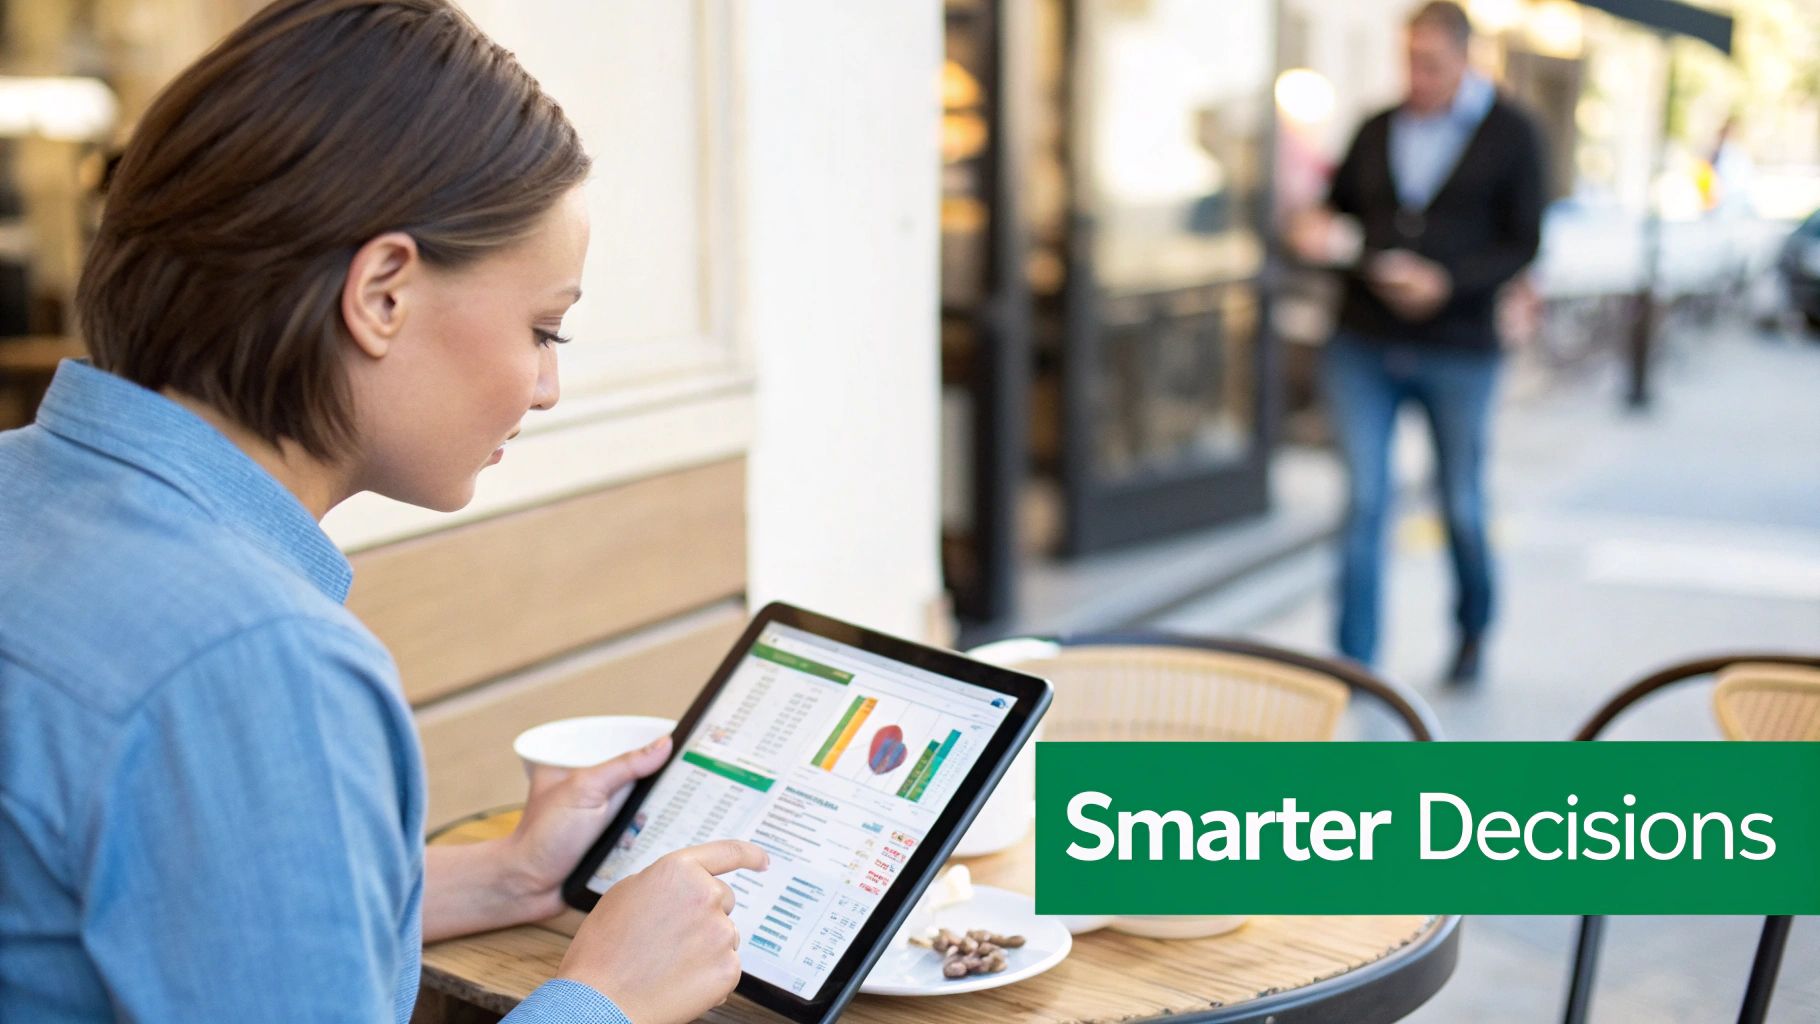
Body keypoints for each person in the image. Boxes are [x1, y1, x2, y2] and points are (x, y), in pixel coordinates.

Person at [0, 2, 766, 1021]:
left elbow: (177, 926)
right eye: (545, 329)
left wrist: (506, 876)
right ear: (382, 294)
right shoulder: (256, 661)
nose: (545, 389)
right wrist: (608, 995)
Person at [1288, 0, 1544, 683]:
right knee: (1365, 500)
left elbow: (1524, 241)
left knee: (1461, 500)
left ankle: (1472, 631)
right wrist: (1315, 230)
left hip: (1459, 346)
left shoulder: (1514, 133)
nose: (1417, 75)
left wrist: (1447, 282)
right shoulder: (1376, 127)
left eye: (1430, 62)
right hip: (1365, 339)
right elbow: (1339, 209)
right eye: (1409, 60)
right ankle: (1355, 663)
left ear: (1465, 58)